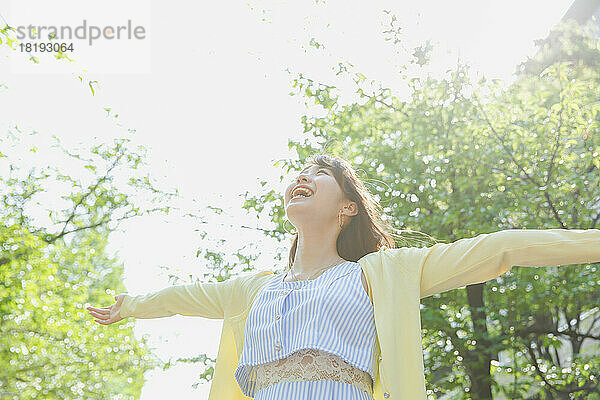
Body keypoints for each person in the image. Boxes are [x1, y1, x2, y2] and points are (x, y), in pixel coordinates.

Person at [87, 153, 600, 400]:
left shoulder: (382, 273)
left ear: (349, 207)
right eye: (299, 172)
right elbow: (183, 295)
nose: (301, 177)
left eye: (319, 173)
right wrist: (130, 306)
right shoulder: (253, 289)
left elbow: (500, 248)